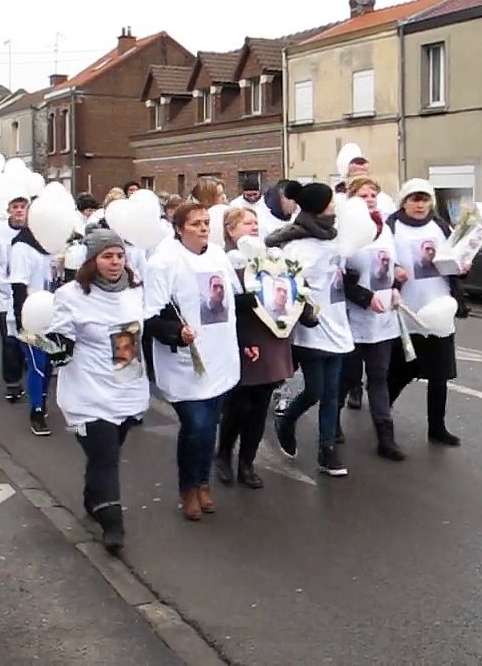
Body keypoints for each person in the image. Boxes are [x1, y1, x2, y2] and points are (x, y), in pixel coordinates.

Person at [46, 228, 147, 555]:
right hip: (86, 392)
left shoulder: (136, 292)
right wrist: (42, 341)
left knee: (106, 454)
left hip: (126, 388)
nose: (115, 262)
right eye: (107, 256)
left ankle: (94, 500)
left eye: (119, 255)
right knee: (105, 456)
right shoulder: (70, 295)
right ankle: (113, 524)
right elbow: (57, 348)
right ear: (92, 260)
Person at [144, 202, 242, 520]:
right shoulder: (164, 262)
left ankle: (203, 483)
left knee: (209, 424)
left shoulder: (217, 257)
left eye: (205, 222)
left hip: (220, 356)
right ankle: (188, 487)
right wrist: (176, 333)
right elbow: (151, 317)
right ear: (178, 228)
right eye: (195, 223)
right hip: (186, 362)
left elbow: (235, 301)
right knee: (195, 425)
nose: (203, 228)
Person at [215, 207, 313, 489]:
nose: (254, 226)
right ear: (231, 231)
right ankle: (223, 454)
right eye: (246, 223)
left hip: (271, 336)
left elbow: (290, 289)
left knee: (260, 406)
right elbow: (220, 305)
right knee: (238, 404)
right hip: (245, 337)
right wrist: (244, 304)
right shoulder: (225, 261)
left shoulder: (273, 259)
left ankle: (247, 462)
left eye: (256, 222)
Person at [266, 181, 353, 476]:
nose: (335, 207)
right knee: (315, 390)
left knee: (332, 393)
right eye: (330, 203)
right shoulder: (297, 245)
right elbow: (287, 285)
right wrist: (304, 311)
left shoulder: (335, 239)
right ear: (319, 207)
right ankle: (286, 420)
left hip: (338, 324)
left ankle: (327, 449)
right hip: (312, 328)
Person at [385, 179, 469, 446]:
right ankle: (381, 416)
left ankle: (437, 427)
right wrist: (393, 272)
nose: (420, 205)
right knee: (399, 372)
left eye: (424, 199)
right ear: (404, 202)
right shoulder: (391, 226)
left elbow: (455, 257)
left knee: (439, 374)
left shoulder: (441, 226)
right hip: (406, 311)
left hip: (440, 308)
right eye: (414, 199)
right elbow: (379, 258)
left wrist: (462, 268)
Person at [341, 175, 406, 460]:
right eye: (363, 195)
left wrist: (396, 286)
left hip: (383, 321)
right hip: (353, 320)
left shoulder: (385, 230)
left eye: (372, 195)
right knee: (347, 378)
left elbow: (391, 267)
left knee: (379, 377)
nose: (369, 200)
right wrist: (365, 298)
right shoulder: (342, 231)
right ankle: (331, 427)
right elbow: (339, 280)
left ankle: (385, 437)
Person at [9, 220, 58, 436]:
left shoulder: (52, 245)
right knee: (37, 364)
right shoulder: (22, 247)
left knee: (49, 364)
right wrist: (22, 319)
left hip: (54, 315)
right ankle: (36, 412)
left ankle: (43, 401)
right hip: (32, 315)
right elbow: (18, 285)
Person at [0, 195, 30, 403]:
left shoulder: (37, 230)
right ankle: (12, 381)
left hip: (32, 293)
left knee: (30, 336)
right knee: (9, 338)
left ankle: (33, 370)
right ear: (9, 209)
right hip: (5, 292)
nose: (19, 211)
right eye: (15, 207)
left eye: (23, 207)